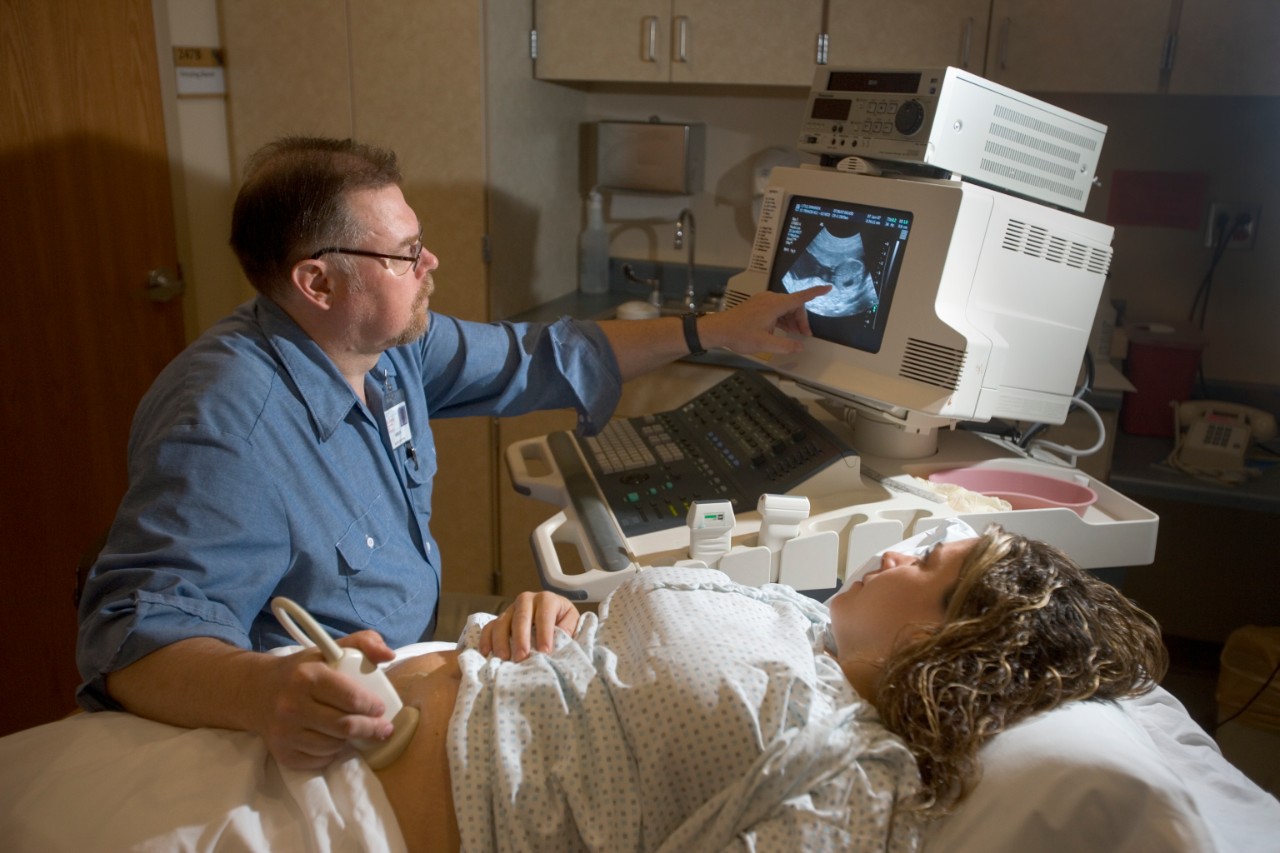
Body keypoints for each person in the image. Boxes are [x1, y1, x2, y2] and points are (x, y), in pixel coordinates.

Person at [75, 136, 829, 770]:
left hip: (413, 658)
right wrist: (270, 692)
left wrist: (716, 330)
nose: (431, 261)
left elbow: (542, 356)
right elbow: (135, 639)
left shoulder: (385, 348)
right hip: (316, 736)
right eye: (405, 253)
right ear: (318, 281)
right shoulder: (228, 423)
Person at [372, 523, 1168, 851]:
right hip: (376, 690)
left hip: (362, 815)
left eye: (923, 566)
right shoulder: (806, 621)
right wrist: (540, 616)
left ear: (944, 637)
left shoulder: (851, 774)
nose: (894, 554)